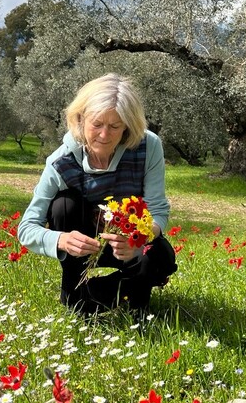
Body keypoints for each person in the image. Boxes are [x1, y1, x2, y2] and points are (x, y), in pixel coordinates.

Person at [17, 73, 177, 315]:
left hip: (126, 245)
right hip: (82, 248)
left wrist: (139, 239)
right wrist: (61, 240)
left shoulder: (148, 146)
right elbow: (26, 228)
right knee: (63, 205)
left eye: (115, 126)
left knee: (162, 256)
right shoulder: (60, 161)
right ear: (81, 119)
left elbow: (157, 210)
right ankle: (77, 292)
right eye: (97, 124)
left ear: (127, 125)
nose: (104, 135)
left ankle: (121, 297)